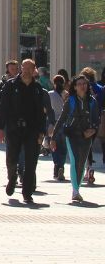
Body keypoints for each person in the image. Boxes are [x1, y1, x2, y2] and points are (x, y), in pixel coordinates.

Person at [0, 59, 52, 203]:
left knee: (31, 161)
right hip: (14, 128)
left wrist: (42, 132)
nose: (26, 71)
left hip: (32, 129)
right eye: (24, 67)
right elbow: (4, 108)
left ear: (34, 69)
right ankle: (12, 178)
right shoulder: (11, 85)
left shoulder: (38, 89)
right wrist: (1, 128)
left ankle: (27, 192)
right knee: (12, 158)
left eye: (30, 68)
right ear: (21, 68)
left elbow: (41, 112)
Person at [52, 74, 100, 202]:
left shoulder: (92, 101)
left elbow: (96, 119)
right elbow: (62, 119)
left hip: (86, 135)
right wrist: (53, 137)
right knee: (74, 161)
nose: (82, 86)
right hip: (72, 134)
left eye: (85, 84)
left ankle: (77, 188)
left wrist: (93, 129)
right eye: (79, 84)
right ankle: (75, 191)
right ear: (74, 87)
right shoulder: (71, 101)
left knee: (82, 163)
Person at [48, 74, 68, 181]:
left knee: (54, 145)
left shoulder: (50, 94)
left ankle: (56, 165)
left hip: (53, 122)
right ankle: (61, 166)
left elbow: (46, 108)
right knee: (63, 147)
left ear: (54, 83)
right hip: (64, 123)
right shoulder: (66, 94)